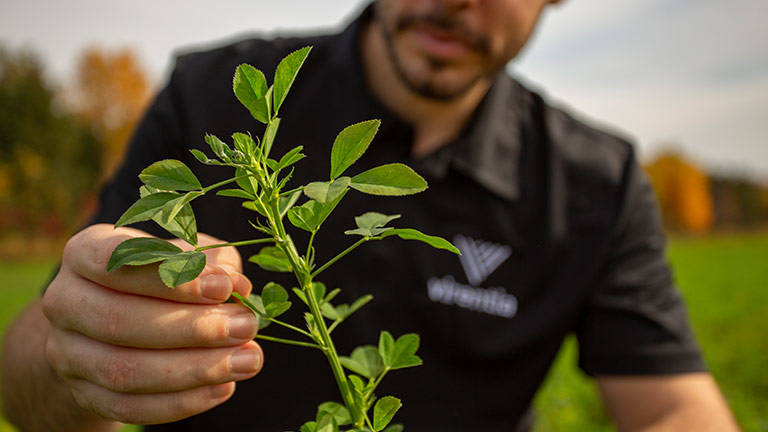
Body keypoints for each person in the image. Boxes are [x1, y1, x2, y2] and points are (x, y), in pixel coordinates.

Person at [1, 1, 740, 431]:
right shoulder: (211, 95)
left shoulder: (594, 181)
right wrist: (74, 353)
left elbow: (677, 408)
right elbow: (28, 368)